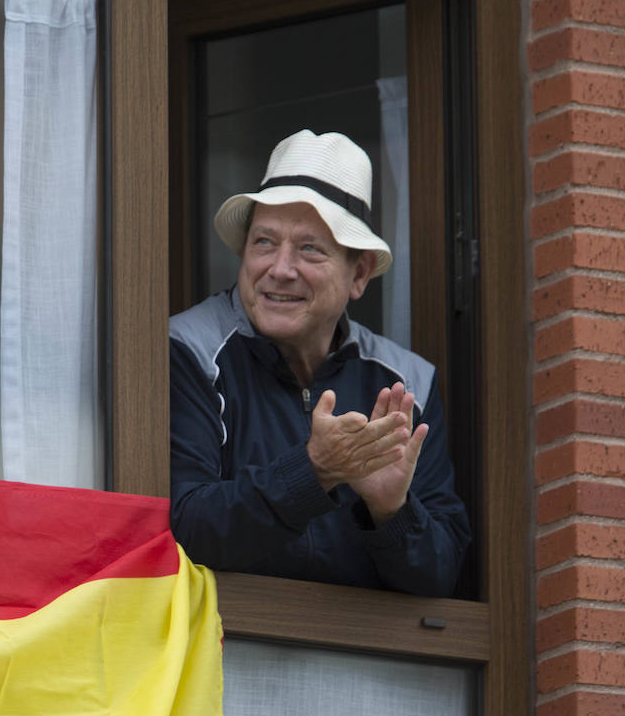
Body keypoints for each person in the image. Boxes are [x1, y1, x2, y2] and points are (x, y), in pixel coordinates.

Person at [168, 129, 469, 596]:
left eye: (309, 248)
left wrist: (390, 511)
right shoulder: (186, 348)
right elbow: (183, 530)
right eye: (264, 242)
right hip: (217, 652)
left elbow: (440, 576)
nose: (280, 268)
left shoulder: (408, 381)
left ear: (360, 274)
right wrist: (315, 470)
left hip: (362, 665)